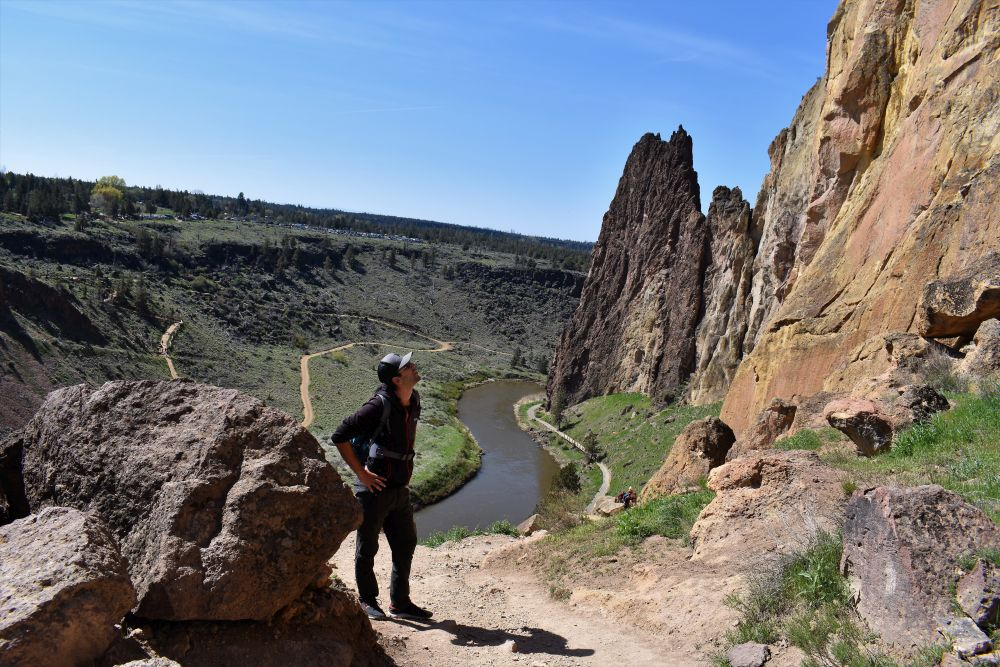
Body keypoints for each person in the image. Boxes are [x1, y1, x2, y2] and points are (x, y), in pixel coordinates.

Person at [332, 351, 432, 622]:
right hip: (373, 489)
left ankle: (400, 603)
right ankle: (367, 600)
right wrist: (361, 473)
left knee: (405, 544)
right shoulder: (377, 406)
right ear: (397, 379)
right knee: (367, 548)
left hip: (399, 489)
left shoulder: (413, 399)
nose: (414, 366)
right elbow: (339, 435)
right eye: (407, 366)